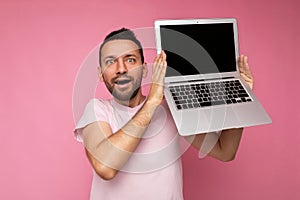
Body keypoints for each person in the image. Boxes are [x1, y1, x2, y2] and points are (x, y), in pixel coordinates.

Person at [74, 28, 254, 200]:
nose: (121, 69)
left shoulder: (171, 108)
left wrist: (238, 100)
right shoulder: (97, 109)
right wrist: (152, 101)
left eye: (129, 60)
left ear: (144, 69)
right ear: (100, 74)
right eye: (110, 61)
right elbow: (105, 167)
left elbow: (225, 151)